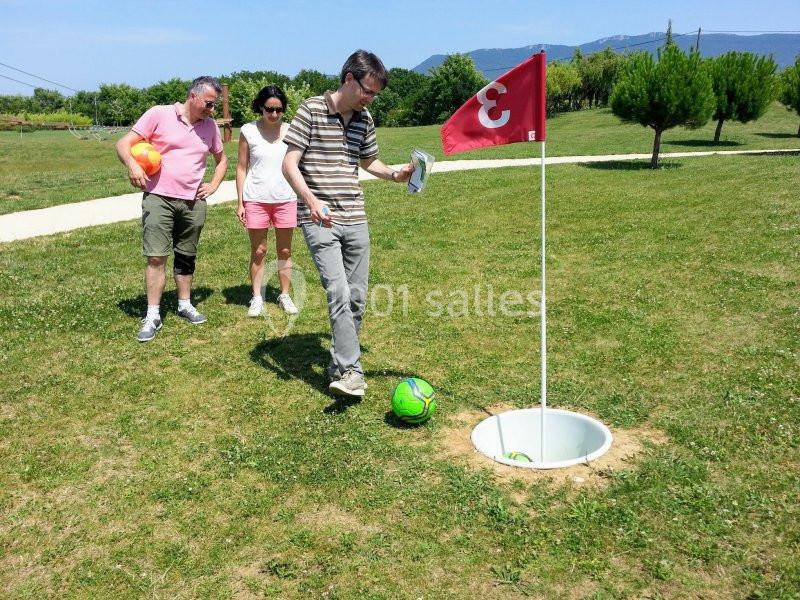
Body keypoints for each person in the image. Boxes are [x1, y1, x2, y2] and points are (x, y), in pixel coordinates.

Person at [282, 50, 414, 397]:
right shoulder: (310, 109)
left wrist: (396, 174)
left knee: (356, 298)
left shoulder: (364, 118)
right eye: (367, 91)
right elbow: (289, 164)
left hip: (356, 216)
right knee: (338, 292)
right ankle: (352, 372)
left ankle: (340, 365)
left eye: (375, 94)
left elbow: (369, 161)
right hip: (320, 218)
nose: (370, 99)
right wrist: (311, 201)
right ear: (349, 79)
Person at [115, 76, 228, 343]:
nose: (212, 110)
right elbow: (122, 144)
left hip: (193, 201)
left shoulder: (210, 126)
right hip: (159, 197)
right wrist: (132, 165)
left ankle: (184, 304)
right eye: (209, 104)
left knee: (187, 255)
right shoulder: (159, 114)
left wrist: (212, 184)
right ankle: (152, 313)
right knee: (156, 256)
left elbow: (222, 160)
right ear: (193, 95)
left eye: (214, 105)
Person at [235, 85, 299, 317]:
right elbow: (241, 168)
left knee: (284, 250)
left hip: (286, 199)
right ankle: (257, 297)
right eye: (268, 109)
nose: (273, 115)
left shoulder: (292, 131)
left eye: (278, 110)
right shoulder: (248, 131)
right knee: (259, 250)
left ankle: (284, 295)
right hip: (256, 199)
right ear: (260, 108)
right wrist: (240, 202)